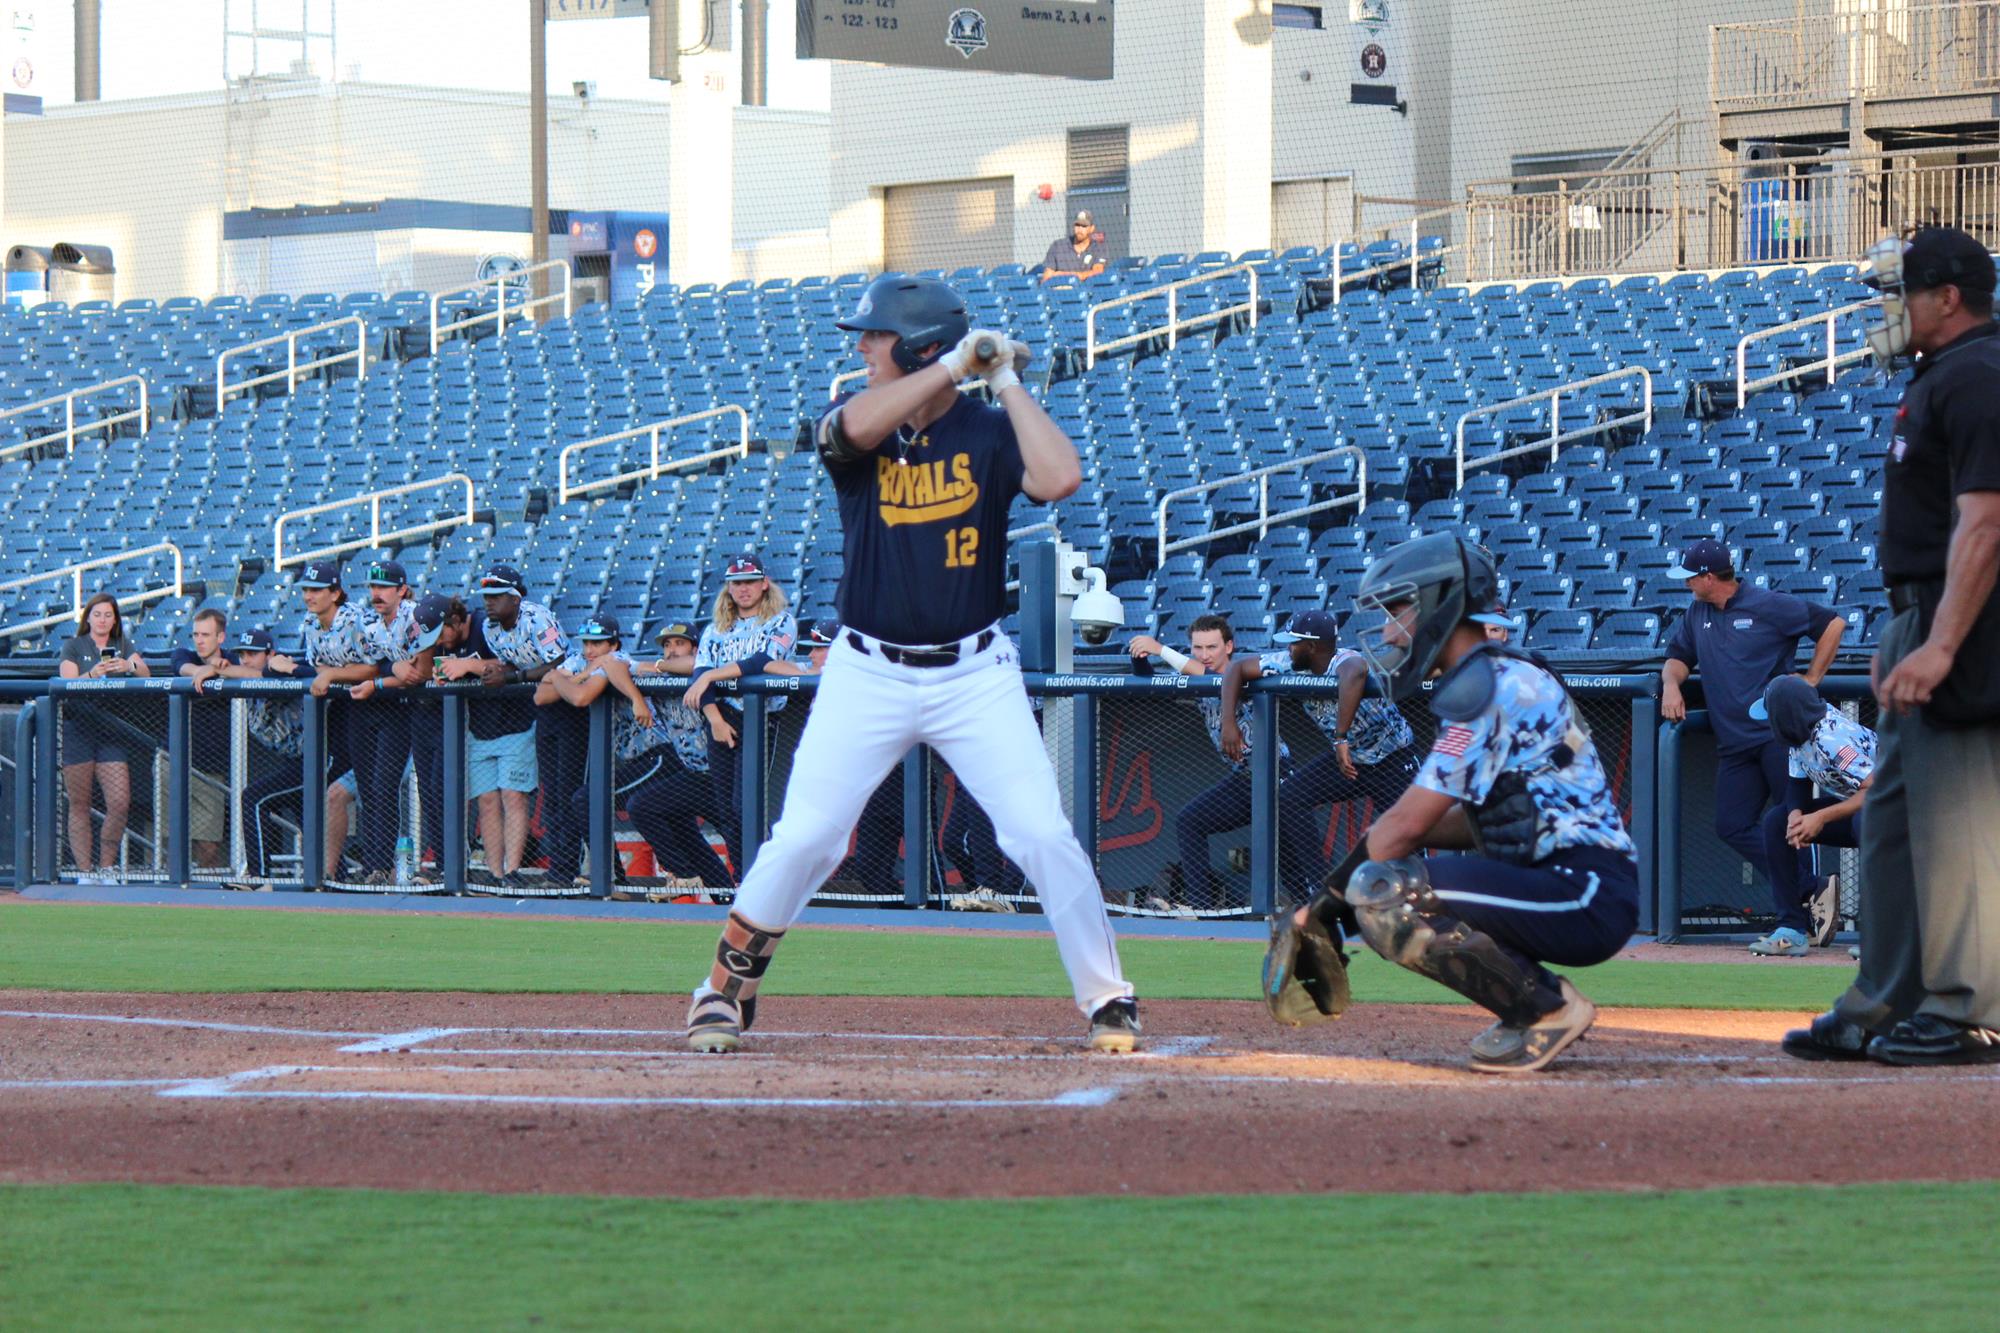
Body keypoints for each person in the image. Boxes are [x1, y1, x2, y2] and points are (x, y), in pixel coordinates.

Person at [683, 273, 1138, 1054]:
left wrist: (1004, 380)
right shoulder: (859, 426)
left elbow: (1060, 478)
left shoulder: (990, 432)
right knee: (806, 838)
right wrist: (952, 366)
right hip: (868, 671)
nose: (862, 347)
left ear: (917, 344)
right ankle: (725, 989)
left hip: (974, 673)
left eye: (876, 335)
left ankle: (1108, 998)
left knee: (1041, 834)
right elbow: (849, 429)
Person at [1269, 534, 1640, 1074]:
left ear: (1438, 603)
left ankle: (1545, 1010)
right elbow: (1454, 823)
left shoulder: (1492, 686)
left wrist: (1324, 911)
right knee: (1386, 867)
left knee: (1386, 892)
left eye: (1399, 611)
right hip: (1562, 880)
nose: (1389, 631)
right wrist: (1372, 859)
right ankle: (1533, 1005)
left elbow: (1406, 823)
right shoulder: (1492, 676)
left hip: (1582, 890)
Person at [1786, 227, 2000, 1066]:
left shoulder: (1980, 374)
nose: (1891, 307)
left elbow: (1986, 523)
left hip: (1969, 617)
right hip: (1921, 611)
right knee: (1893, 821)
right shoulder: (1944, 374)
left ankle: (1967, 1009)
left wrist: (1941, 640)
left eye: (1904, 290)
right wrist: (1902, 629)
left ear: (1948, 297)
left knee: (1957, 822)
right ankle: (1883, 1001)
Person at [1659, 538, 1845, 945]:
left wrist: (1812, 678)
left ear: (1709, 578)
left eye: (1691, 576)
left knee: (1792, 822)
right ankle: (1809, 888)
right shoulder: (1697, 613)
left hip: (1778, 739)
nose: (1687, 583)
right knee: (1731, 824)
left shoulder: (1768, 604)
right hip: (1734, 743)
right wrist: (1671, 684)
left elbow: (1832, 623)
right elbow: (1677, 657)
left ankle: (1794, 920)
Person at [1218, 608, 1420, 903]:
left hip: (1392, 758)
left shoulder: (1343, 660)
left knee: (1411, 832)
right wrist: (1228, 723)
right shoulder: (1288, 663)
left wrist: (1341, 736)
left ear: (1312, 647)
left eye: (1294, 642)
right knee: (1290, 797)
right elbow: (1236, 669)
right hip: (1349, 763)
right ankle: (1321, 888)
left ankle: (1426, 897)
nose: (1288, 647)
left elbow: (1357, 670)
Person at [1128, 614, 1288, 911]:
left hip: (1277, 776)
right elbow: (1149, 683)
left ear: (1229, 646)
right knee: (1190, 821)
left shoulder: (1246, 670)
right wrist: (1141, 658)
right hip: (1243, 780)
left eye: (1212, 647)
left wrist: (1161, 650)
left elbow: (1212, 676)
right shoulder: (1193, 675)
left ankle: (1319, 907)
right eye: (1198, 648)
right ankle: (1201, 907)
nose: (1205, 655)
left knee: (1293, 854)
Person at [439, 564, 571, 885]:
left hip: (561, 703)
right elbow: (507, 663)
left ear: (515, 598)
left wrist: (512, 677)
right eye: (486, 596)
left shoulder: (537, 617)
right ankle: (497, 875)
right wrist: (492, 672)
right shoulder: (490, 628)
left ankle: (516, 871)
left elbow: (560, 662)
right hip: (524, 708)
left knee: (528, 795)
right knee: (489, 801)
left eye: (497, 596)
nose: (489, 602)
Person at [310, 559, 422, 884]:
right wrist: (392, 667)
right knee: (367, 790)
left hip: (398, 708)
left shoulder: (413, 616)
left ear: (401, 589)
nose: (377, 593)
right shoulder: (369, 621)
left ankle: (383, 866)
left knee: (383, 786)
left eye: (385, 587)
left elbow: (413, 668)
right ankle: (373, 866)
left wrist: (391, 668)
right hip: (362, 705)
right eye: (373, 587)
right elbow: (373, 665)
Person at [1747, 675, 1874, 957]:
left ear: (1784, 715)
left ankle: (1885, 939)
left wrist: (1821, 818)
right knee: (1776, 822)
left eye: (1770, 715)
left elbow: (1878, 789)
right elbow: (1798, 785)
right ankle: (1792, 928)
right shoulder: (1799, 733)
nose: (1768, 722)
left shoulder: (1830, 736)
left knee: (1864, 820)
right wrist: (1795, 815)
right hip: (1863, 808)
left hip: (1906, 811)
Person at [690, 553, 797, 874]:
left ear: (764, 584)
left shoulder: (781, 620)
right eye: (736, 583)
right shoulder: (715, 628)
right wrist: (715, 719)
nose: (743, 588)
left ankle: (764, 877)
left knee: (747, 806)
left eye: (750, 581)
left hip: (762, 718)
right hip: (723, 718)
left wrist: (710, 676)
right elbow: (700, 672)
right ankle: (742, 878)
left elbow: (761, 662)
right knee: (726, 809)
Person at [537, 612, 660, 886]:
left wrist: (558, 677)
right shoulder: (583, 661)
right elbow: (540, 695)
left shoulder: (616, 659)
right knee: (584, 800)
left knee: (587, 800)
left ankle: (611, 877)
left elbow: (580, 698)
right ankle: (612, 877)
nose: (590, 650)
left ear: (613, 645)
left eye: (598, 643)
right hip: (629, 756)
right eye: (587, 643)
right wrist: (567, 676)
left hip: (655, 751)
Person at [626, 620, 734, 890]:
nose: (672, 650)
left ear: (696, 648)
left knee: (744, 839)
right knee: (642, 806)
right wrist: (638, 698)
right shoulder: (658, 675)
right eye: (667, 645)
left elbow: (696, 666)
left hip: (724, 776)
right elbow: (616, 665)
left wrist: (659, 665)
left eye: (679, 643)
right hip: (693, 776)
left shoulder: (708, 670)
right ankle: (688, 876)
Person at [215, 627, 323, 886]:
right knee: (309, 823)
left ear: (270, 653)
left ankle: (259, 876)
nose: (246, 659)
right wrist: (214, 668)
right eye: (242, 654)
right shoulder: (242, 671)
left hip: (319, 759)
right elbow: (189, 661)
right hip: (294, 762)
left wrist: (226, 669)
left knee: (254, 798)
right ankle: (334, 878)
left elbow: (264, 673)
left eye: (253, 653)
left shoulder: (281, 668)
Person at [56, 593, 150, 882]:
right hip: (78, 728)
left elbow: (146, 671)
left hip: (111, 730)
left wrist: (128, 666)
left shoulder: (122, 645)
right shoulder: (74, 645)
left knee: (120, 802)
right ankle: (85, 872)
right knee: (80, 803)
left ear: (115, 619)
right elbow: (66, 683)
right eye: (97, 614)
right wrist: (93, 674)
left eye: (108, 615)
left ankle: (107, 867)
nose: (103, 620)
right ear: (88, 618)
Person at [403, 593, 471, 885]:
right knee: (429, 793)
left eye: (441, 631)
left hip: (464, 724)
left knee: (445, 792)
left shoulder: (478, 629)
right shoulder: (420, 633)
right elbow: (413, 670)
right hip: (425, 720)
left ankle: (458, 865)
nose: (439, 640)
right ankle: (443, 864)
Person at [170, 607, 236, 869]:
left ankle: (205, 899)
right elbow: (182, 666)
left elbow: (249, 672)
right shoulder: (184, 654)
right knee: (170, 841)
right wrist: (205, 669)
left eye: (206, 635)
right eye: (196, 634)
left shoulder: (232, 658)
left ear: (220, 638)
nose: (199, 640)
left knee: (209, 845)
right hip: (173, 761)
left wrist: (218, 670)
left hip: (212, 768)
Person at [1040, 209, 1107, 282]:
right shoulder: (1058, 246)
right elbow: (1047, 276)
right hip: (1059, 289)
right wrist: (1082, 275)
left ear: (1092, 228)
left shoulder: (1098, 248)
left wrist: (1063, 274)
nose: (1080, 229)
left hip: (1086, 290)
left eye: (1084, 226)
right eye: (1077, 225)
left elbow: (1097, 272)